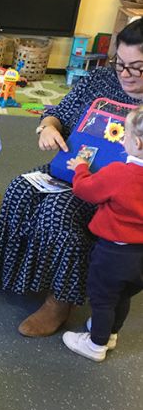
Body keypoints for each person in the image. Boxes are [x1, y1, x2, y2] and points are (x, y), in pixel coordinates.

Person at [0, 17, 143, 337]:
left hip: (114, 194)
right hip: (73, 170)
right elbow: (57, 114)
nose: (124, 74)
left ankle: (60, 300)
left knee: (58, 212)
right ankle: (3, 268)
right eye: (120, 63)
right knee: (20, 188)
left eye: (136, 68)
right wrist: (48, 128)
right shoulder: (101, 79)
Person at [62, 105, 143, 361]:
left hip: (114, 253)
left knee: (103, 299)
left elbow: (85, 190)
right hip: (140, 257)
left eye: (125, 135)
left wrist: (81, 168)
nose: (123, 139)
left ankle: (96, 345)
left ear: (137, 143)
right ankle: (110, 333)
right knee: (123, 296)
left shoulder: (119, 173)